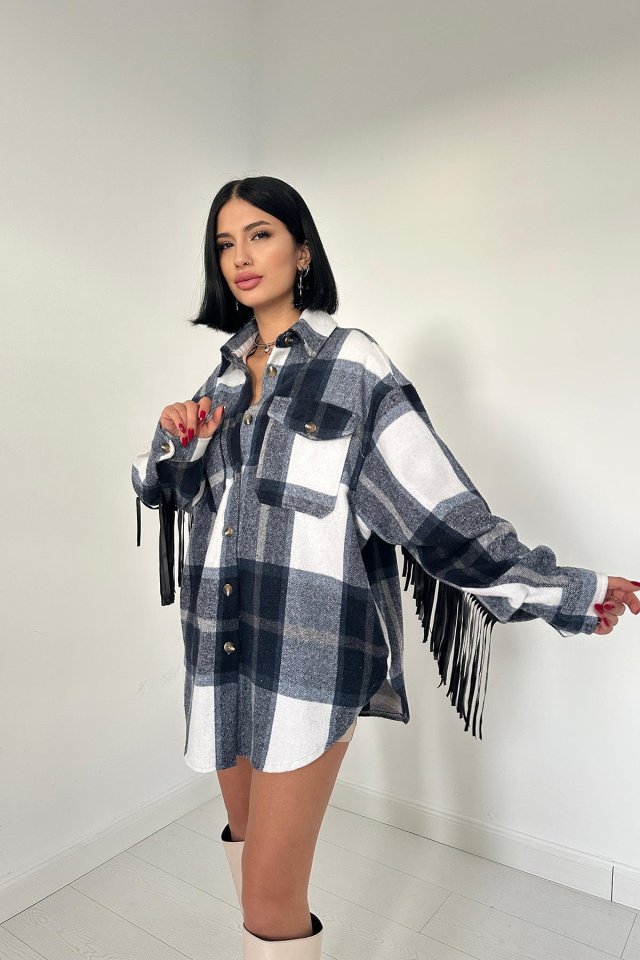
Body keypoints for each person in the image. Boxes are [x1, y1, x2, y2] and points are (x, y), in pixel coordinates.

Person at [131, 175, 640, 958]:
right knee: (241, 838)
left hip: (306, 664)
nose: (241, 257)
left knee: (270, 900)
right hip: (218, 649)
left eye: (260, 234)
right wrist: (176, 439)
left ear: (302, 250)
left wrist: (565, 592)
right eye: (226, 243)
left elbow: (441, 517)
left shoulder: (355, 365)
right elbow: (167, 494)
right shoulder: (224, 378)